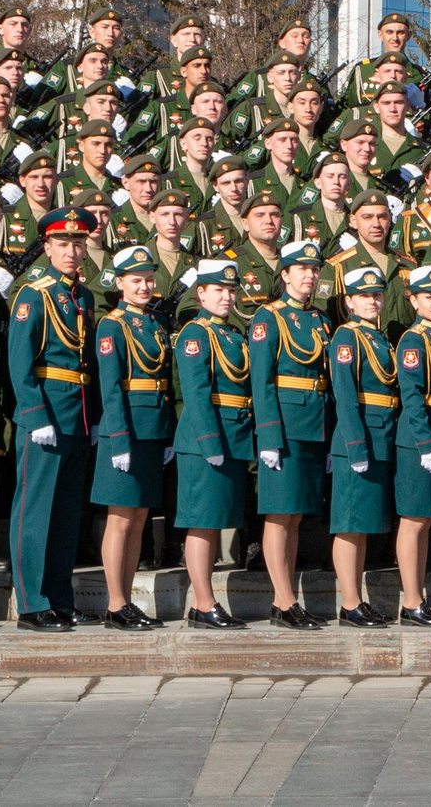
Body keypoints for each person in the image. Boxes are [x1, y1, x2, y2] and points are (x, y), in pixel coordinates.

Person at [3, 207, 100, 632]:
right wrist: (33, 412)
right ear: (46, 247)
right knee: (36, 511)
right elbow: (20, 359)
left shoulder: (84, 295)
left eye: (78, 243)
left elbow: (87, 362)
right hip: (46, 412)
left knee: (65, 514)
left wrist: (92, 415)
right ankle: (31, 603)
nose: (72, 251)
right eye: (63, 243)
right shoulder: (33, 294)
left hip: (76, 413)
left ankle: (60, 597)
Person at [250, 240, 334, 629]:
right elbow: (262, 381)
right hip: (283, 423)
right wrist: (268, 436)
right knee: (279, 515)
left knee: (295, 516)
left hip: (313, 423)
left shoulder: (319, 319)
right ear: (284, 275)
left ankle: (287, 598)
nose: (309, 276)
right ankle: (283, 600)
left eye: (314, 269)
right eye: (301, 269)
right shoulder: (269, 318)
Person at [91, 247, 173, 631]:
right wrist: (120, 438)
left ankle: (126, 600)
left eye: (149, 280)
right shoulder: (112, 325)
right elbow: (111, 387)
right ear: (120, 283)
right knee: (120, 519)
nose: (144, 286)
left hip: (152, 428)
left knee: (139, 519)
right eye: (136, 280)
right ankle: (115, 601)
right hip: (124, 430)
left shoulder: (155, 323)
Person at [172, 260, 252, 630]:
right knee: (202, 523)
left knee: (216, 519)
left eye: (231, 290)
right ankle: (203, 604)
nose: (226, 296)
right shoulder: (195, 334)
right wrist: (208, 441)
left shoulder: (233, 333)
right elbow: (197, 392)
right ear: (201, 293)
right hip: (208, 436)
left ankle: (205, 604)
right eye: (218, 290)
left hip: (234, 433)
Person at [328, 265, 402, 628]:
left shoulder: (379, 338)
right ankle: (351, 602)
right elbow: (345, 394)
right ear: (349, 301)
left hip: (381, 434)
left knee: (363, 522)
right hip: (359, 438)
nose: (372, 301)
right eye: (364, 295)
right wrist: (356, 446)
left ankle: (357, 601)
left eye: (377, 295)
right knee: (350, 523)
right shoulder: (347, 337)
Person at [389, 264, 431, 626]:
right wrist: (425, 442)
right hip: (420, 435)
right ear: (413, 300)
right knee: (413, 519)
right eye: (429, 297)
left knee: (425, 520)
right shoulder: (414, 340)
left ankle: (418, 597)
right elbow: (412, 395)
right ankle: (411, 600)